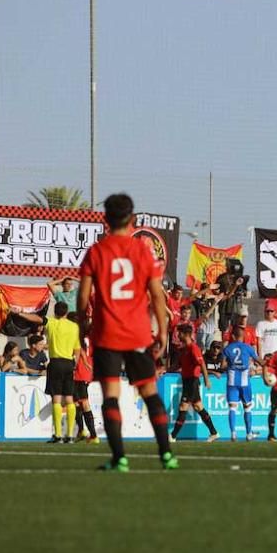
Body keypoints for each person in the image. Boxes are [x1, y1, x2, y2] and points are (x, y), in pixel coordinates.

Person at [78, 193, 178, 472]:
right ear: (132, 219)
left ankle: (119, 458)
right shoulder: (143, 251)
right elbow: (157, 296)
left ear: (105, 219)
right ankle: (166, 454)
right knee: (149, 392)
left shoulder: (97, 252)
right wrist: (162, 331)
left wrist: (82, 328)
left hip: (107, 334)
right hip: (138, 334)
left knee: (110, 396)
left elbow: (83, 297)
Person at [40, 302, 81, 443]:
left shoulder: (51, 323)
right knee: (69, 398)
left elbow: (37, 319)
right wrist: (75, 363)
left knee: (56, 399)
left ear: (55, 312)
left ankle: (58, 435)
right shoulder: (74, 326)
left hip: (56, 362)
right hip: (69, 363)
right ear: (66, 312)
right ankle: (70, 435)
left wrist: (19, 313)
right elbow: (77, 349)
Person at [170, 325, 218, 443]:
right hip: (187, 381)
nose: (177, 335)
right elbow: (178, 365)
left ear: (185, 334)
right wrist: (165, 371)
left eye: (179, 333)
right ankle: (214, 432)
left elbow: (201, 364)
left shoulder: (193, 348)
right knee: (198, 407)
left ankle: (172, 436)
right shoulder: (184, 349)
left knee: (183, 407)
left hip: (192, 381)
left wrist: (206, 379)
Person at [222, 323, 266, 442]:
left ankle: (233, 433)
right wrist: (267, 362)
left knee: (232, 407)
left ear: (233, 336)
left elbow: (222, 365)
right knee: (247, 407)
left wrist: (232, 364)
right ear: (243, 336)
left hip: (232, 381)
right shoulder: (248, 348)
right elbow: (260, 362)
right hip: (245, 381)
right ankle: (248, 434)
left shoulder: (227, 348)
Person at [72, 336, 99, 444]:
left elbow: (80, 351)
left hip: (79, 372)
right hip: (87, 373)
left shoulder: (78, 337)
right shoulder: (93, 337)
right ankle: (81, 431)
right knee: (76, 402)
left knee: (83, 403)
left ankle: (93, 435)